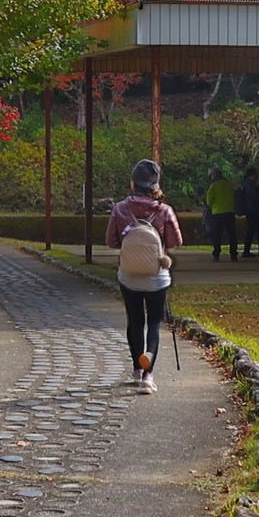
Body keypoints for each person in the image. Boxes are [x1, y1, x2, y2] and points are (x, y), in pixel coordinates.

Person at [105, 158, 184, 394]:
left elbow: (111, 241)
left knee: (135, 322)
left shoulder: (120, 209)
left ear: (133, 182)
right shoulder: (164, 210)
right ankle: (148, 376)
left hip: (129, 275)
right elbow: (176, 241)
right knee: (154, 325)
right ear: (155, 184)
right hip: (157, 276)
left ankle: (136, 369)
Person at [203, 167, 238, 261]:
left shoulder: (214, 186)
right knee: (232, 235)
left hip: (217, 212)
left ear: (214, 175)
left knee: (217, 235)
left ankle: (216, 254)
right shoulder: (229, 184)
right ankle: (233, 254)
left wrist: (210, 207)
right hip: (230, 212)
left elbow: (209, 200)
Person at [236, 166, 259, 258]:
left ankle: (248, 250)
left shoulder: (244, 184)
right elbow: (255, 197)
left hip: (249, 210)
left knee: (251, 230)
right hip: (253, 210)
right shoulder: (251, 185)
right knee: (258, 230)